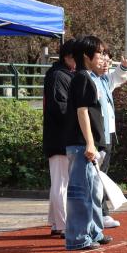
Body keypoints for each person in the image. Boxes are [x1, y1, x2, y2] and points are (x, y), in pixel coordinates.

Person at [63, 35, 112, 250]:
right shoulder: (82, 78)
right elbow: (82, 111)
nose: (102, 57)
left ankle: (93, 232)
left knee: (93, 192)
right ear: (86, 56)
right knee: (80, 194)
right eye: (99, 53)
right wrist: (90, 143)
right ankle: (77, 238)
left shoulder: (91, 77)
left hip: (89, 145)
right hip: (81, 145)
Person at [89, 49, 127, 229]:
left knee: (102, 174)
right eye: (102, 60)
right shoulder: (89, 79)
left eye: (109, 61)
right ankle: (101, 213)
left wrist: (124, 67)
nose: (106, 64)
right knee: (97, 176)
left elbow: (117, 77)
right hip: (96, 135)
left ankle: (100, 213)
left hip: (108, 133)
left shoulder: (104, 80)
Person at [42, 38, 76, 238]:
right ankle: (63, 225)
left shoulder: (63, 74)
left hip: (61, 136)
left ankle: (57, 223)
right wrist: (78, 118)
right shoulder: (58, 76)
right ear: (68, 57)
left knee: (60, 182)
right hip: (59, 137)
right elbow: (59, 107)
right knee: (61, 183)